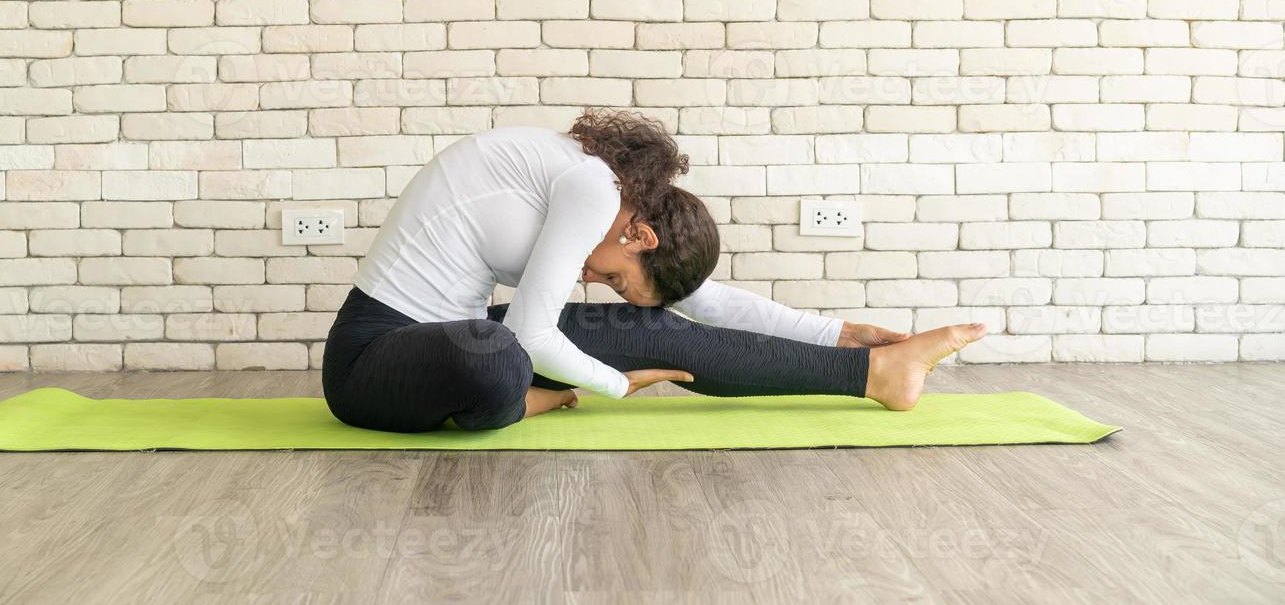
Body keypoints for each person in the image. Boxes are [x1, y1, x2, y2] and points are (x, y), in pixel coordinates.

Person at [321, 107, 987, 433]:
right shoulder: (591, 189)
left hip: (452, 337)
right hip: (372, 360)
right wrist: (613, 384)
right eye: (613, 276)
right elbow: (527, 332)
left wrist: (835, 333)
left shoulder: (607, 195)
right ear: (639, 234)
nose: (595, 276)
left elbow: (702, 303)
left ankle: (873, 375)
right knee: (498, 350)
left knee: (649, 328)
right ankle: (518, 399)